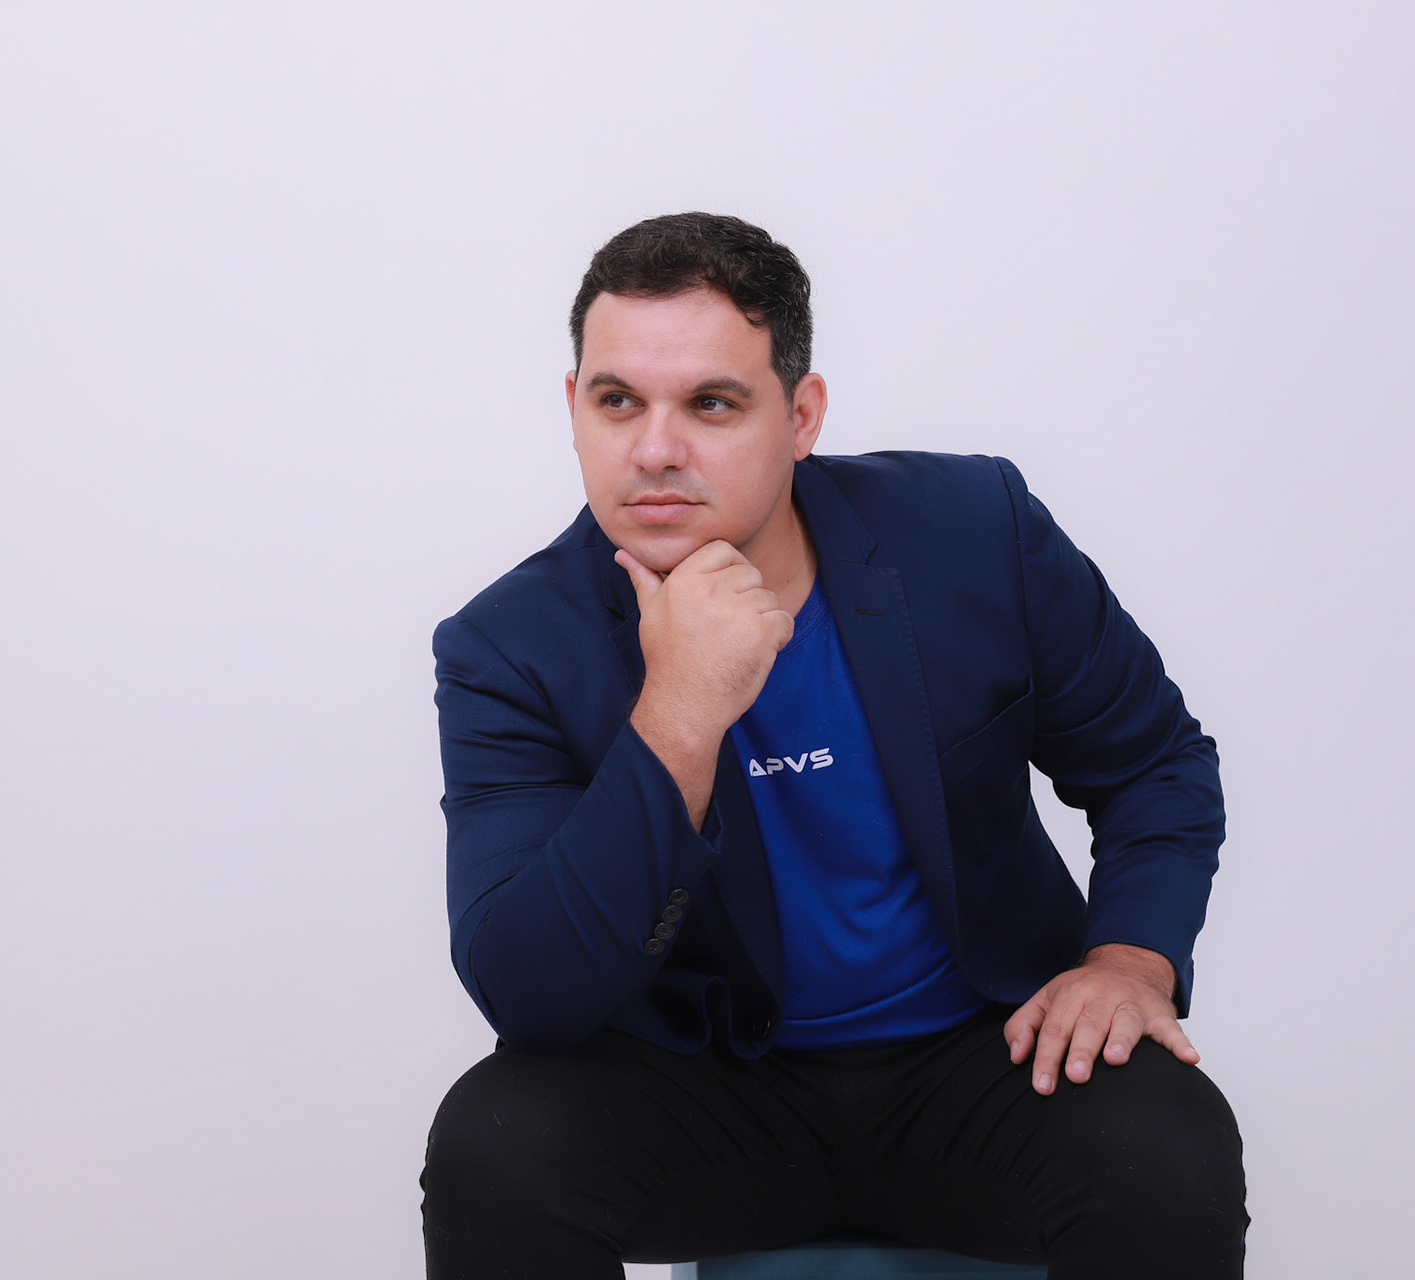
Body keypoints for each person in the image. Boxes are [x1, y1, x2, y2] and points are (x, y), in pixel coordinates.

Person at [421, 212, 1247, 1279]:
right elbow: (528, 993)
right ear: (573, 407)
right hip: (710, 1087)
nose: (656, 449)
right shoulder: (510, 647)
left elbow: (1153, 765)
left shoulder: (973, 530)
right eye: (618, 400)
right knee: (496, 1149)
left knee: (1168, 1145)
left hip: (984, 1059)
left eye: (712, 403)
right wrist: (679, 712)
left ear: (801, 415)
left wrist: (1130, 959)